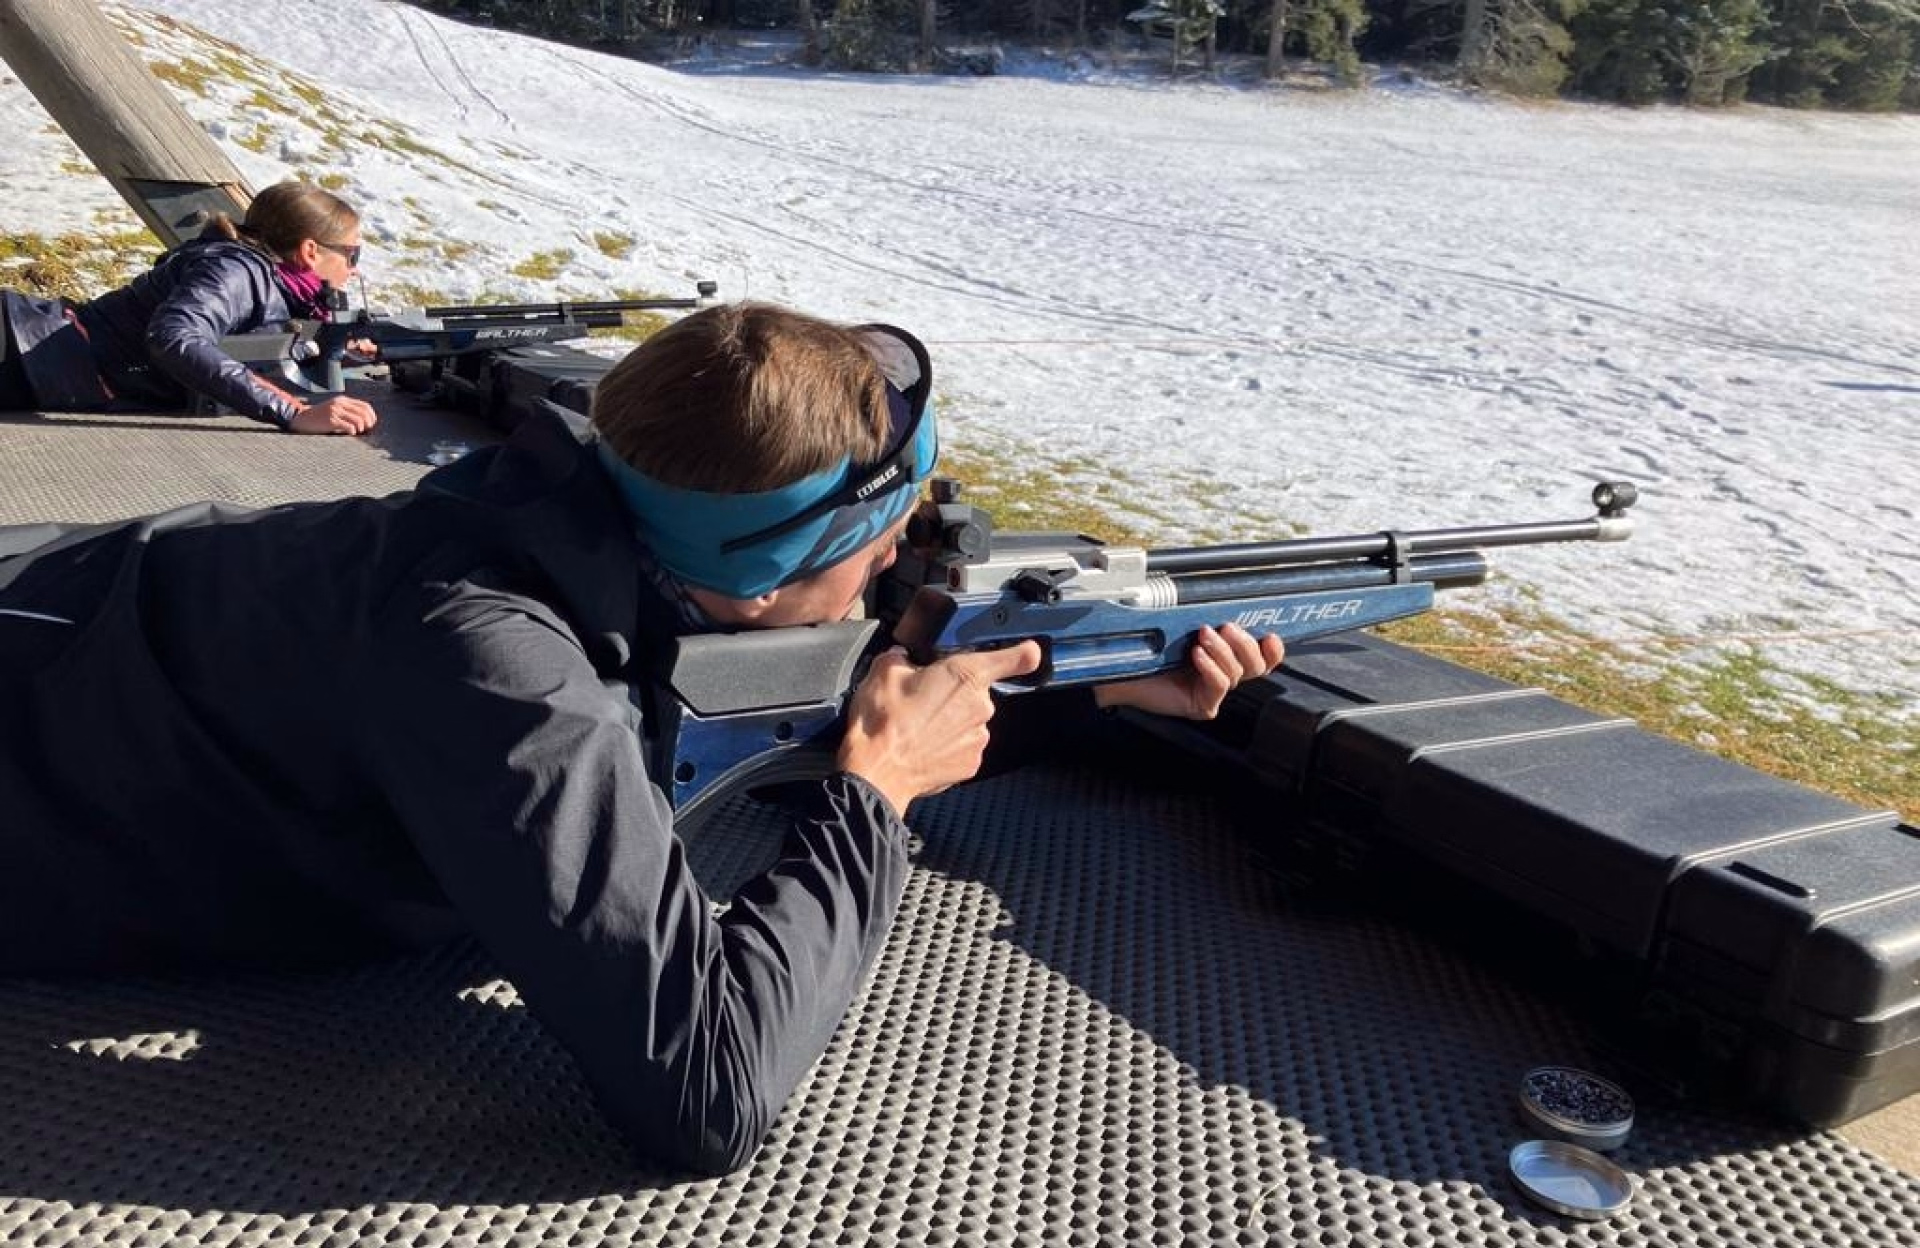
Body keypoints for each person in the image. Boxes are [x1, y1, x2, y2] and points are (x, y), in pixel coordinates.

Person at [0, 302, 1281, 1176]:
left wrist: (1093, 685)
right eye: (881, 543)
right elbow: (702, 1092)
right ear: (766, 573)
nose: (906, 560)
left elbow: (787, 677)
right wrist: (872, 797)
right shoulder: (498, 668)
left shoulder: (574, 518)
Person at [0, 179, 378, 435]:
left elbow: (238, 343)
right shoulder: (236, 270)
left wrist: (331, 351)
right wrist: (293, 412)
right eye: (352, 252)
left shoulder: (264, 278)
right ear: (311, 251)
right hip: (23, 354)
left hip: (38, 358)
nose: (355, 266)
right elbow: (174, 337)